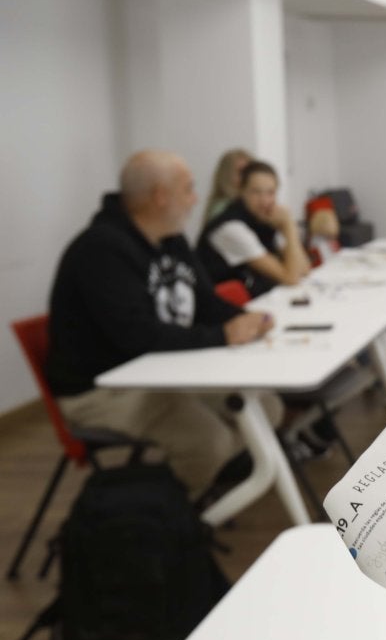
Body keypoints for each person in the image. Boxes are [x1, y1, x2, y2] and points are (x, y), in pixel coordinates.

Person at [46, 149, 276, 498]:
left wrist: (244, 320)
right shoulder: (99, 250)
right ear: (160, 196)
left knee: (266, 407)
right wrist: (221, 336)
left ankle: (192, 498)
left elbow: (206, 302)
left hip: (161, 370)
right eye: (188, 189)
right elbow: (137, 336)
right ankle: (158, 524)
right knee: (209, 441)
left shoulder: (171, 239)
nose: (195, 199)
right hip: (102, 390)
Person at [197, 159, 311, 298]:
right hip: (219, 314)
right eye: (256, 192)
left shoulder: (263, 219)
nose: (264, 200)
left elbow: (304, 270)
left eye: (270, 193)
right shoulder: (231, 227)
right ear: (241, 191)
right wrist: (289, 226)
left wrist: (285, 229)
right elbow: (290, 278)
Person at [202, 147, 252, 224]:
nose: (247, 178)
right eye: (241, 172)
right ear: (226, 176)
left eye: (250, 171)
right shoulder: (222, 210)